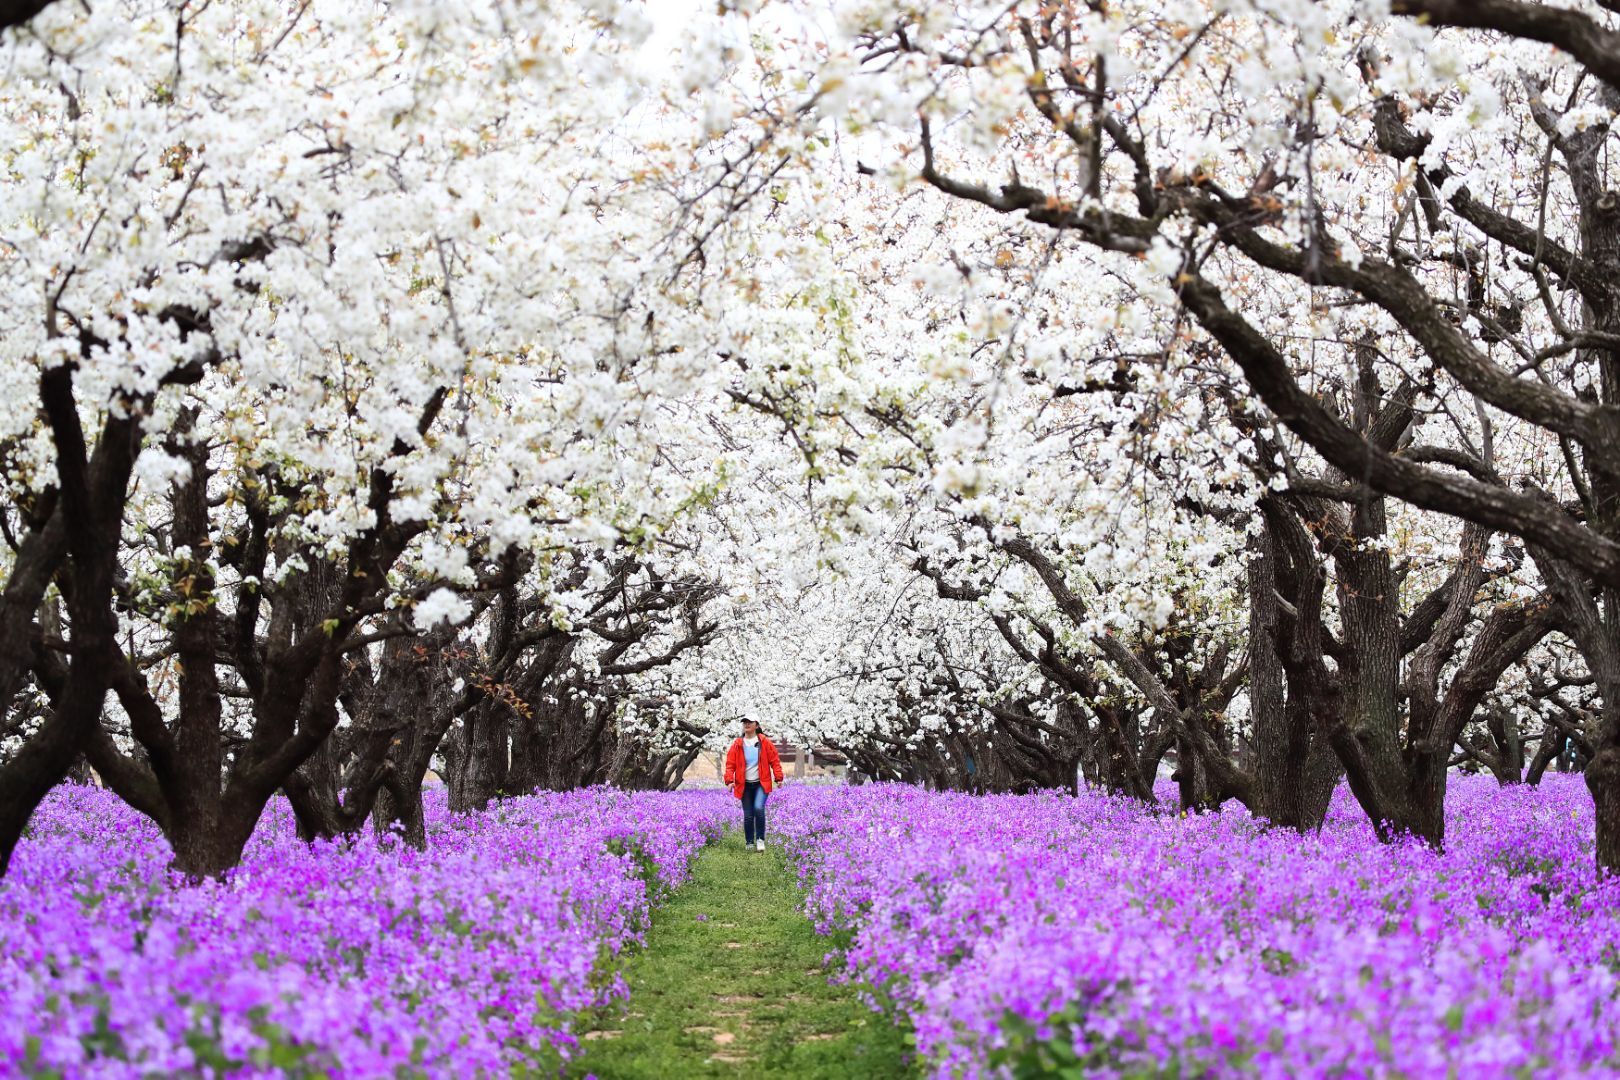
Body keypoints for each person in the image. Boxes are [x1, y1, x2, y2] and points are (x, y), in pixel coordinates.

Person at [723, 717, 783, 852]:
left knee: (758, 808)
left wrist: (778, 778)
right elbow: (730, 764)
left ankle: (760, 840)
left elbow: (775, 760)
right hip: (744, 785)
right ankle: (749, 842)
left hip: (761, 784)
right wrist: (729, 781)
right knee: (748, 815)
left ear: (756, 725)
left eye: (750, 722)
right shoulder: (738, 744)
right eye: (745, 722)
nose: (747, 724)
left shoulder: (764, 742)